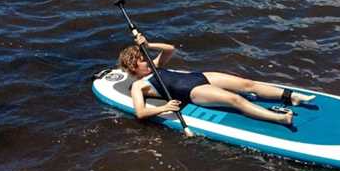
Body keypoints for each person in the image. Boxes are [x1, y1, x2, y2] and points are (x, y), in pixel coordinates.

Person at [118, 33, 314, 126]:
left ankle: (292, 97)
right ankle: (280, 118)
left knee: (247, 84)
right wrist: (164, 107)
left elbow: (170, 48)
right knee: (234, 99)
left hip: (198, 77)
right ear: (134, 67)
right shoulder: (139, 85)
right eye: (142, 60)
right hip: (192, 92)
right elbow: (141, 112)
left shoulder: (156, 65)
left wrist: (149, 44)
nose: (146, 60)